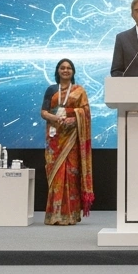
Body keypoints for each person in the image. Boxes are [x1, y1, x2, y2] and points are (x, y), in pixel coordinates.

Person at [40, 58, 93, 226]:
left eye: (69, 68)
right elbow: (43, 112)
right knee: (55, 175)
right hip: (55, 138)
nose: (65, 70)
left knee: (71, 174)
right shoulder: (51, 90)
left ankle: (70, 215)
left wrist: (73, 119)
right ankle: (54, 214)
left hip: (72, 139)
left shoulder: (79, 91)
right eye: (62, 68)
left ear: (73, 72)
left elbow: (85, 112)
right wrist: (54, 117)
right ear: (57, 71)